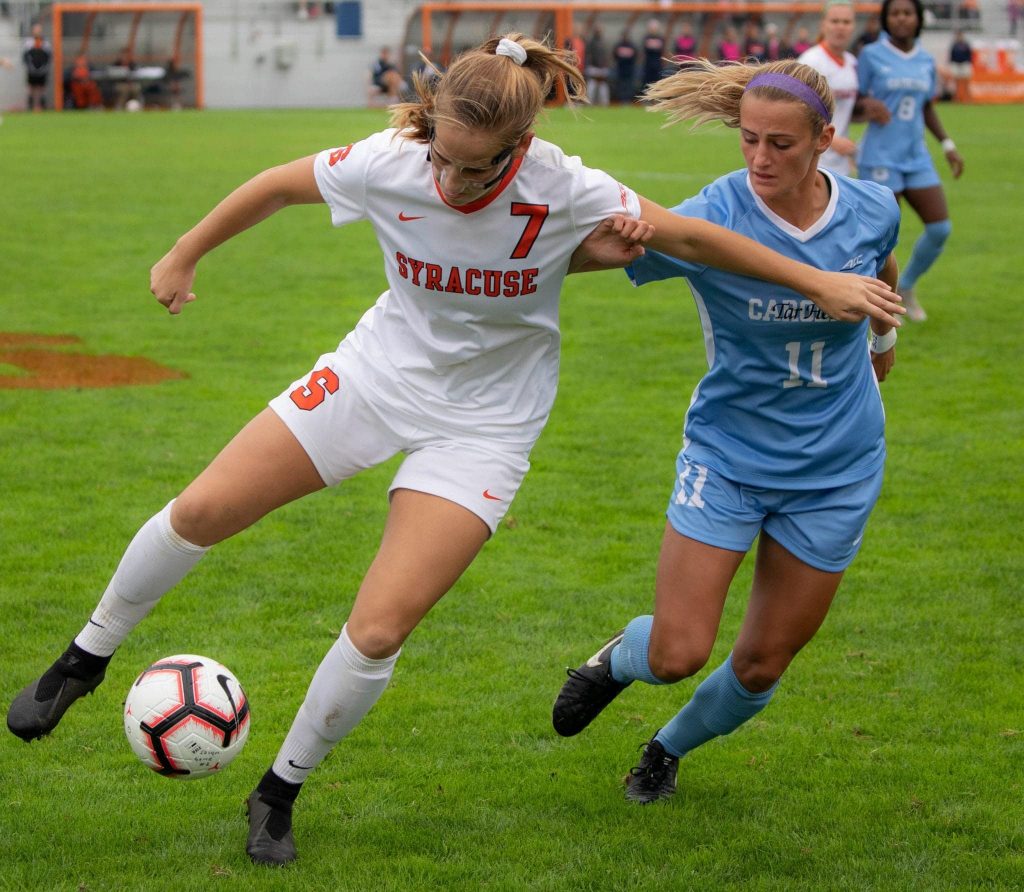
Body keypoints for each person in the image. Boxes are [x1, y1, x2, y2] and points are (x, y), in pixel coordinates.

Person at [6, 34, 901, 867]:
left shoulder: (569, 186)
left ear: (519, 149)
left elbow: (699, 237)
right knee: (203, 508)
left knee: (381, 624)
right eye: (441, 157)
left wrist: (821, 280)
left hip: (487, 426)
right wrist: (184, 253)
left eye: (476, 170)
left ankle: (278, 790)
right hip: (374, 377)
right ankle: (83, 659)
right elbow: (278, 184)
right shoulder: (393, 161)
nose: (451, 181)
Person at [552, 58, 902, 805]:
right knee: (678, 650)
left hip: (839, 466)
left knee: (763, 664)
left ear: (825, 141)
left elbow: (882, 264)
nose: (760, 159)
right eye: (748, 140)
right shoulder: (711, 216)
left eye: (780, 144)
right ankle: (615, 661)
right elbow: (588, 262)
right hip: (730, 456)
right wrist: (605, 241)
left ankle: (665, 749)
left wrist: (881, 345)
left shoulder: (872, 206)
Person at [857, 0, 964, 321]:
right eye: (895, 14)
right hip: (879, 156)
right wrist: (867, 105)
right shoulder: (871, 55)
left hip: (916, 157)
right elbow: (853, 100)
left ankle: (907, 285)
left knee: (940, 228)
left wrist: (947, 144)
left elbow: (926, 106)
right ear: (886, 20)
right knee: (881, 238)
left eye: (908, 13)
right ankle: (877, 303)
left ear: (918, 19)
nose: (902, 19)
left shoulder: (925, 59)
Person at [799, 0, 861, 176]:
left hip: (841, 161)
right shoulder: (810, 61)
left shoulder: (853, 63)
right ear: (823, 25)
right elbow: (795, 110)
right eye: (834, 21)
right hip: (812, 159)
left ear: (853, 26)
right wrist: (832, 141)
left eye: (846, 22)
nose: (840, 27)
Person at [22, 22, 51, 111]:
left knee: (41, 87)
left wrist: (44, 67)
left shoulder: (45, 43)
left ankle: (40, 105)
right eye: (36, 30)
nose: (37, 31)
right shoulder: (28, 43)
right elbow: (25, 57)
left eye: (39, 30)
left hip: (42, 70)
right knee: (32, 87)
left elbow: (48, 57)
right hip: (31, 70)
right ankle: (31, 105)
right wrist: (30, 67)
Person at [584, 26, 611, 106]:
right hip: (593, 67)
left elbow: (606, 56)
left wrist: (605, 66)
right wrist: (589, 67)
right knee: (591, 86)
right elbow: (588, 55)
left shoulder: (604, 42)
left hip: (602, 68)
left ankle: (604, 104)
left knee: (603, 87)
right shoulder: (590, 42)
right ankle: (589, 103)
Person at [948, 30, 973, 103]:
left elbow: (969, 55)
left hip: (965, 64)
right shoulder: (954, 45)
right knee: (956, 83)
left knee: (966, 82)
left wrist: (967, 61)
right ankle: (957, 98)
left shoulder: (966, 44)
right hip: (956, 64)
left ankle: (967, 98)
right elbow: (951, 55)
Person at [613, 29, 638, 102]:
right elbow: (614, 55)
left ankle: (628, 99)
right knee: (621, 85)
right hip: (621, 69)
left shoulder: (632, 46)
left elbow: (635, 56)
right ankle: (621, 99)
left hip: (629, 69)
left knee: (629, 85)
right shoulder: (618, 45)